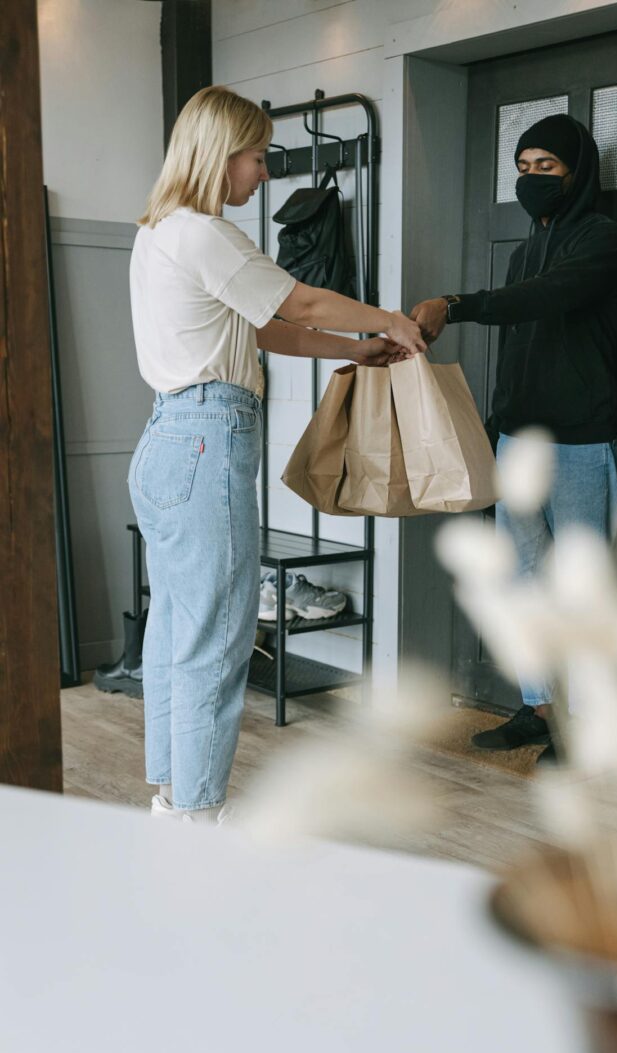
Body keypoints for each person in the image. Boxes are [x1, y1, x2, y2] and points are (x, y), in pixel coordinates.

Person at [129, 85, 425, 823]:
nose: (264, 174)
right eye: (258, 157)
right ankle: (199, 816)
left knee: (174, 629)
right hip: (205, 441)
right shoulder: (204, 233)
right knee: (218, 640)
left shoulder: (158, 232)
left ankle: (172, 799)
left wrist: (359, 350)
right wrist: (389, 317)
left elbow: (269, 330)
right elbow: (303, 304)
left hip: (166, 441)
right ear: (220, 154)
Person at [411, 113, 617, 761]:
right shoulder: (521, 250)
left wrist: (455, 304)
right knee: (521, 581)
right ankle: (540, 706)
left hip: (583, 443)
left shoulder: (606, 240)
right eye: (525, 166)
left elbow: (546, 298)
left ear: (577, 172)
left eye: (548, 167)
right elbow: (519, 346)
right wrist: (494, 430)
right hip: (518, 441)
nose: (532, 178)